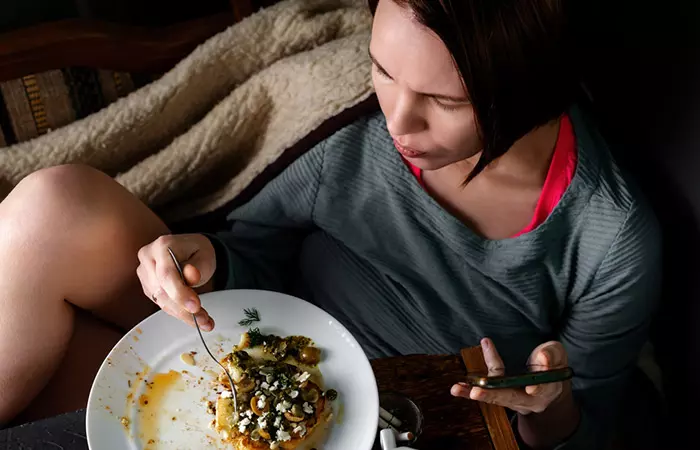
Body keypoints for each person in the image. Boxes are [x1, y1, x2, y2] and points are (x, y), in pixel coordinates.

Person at [0, 0, 661, 448]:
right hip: (250, 359)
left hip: (392, 417)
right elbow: (256, 250)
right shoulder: (353, 131)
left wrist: (546, 403)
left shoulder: (610, 238)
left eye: (445, 101)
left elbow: (588, 428)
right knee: (56, 205)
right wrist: (204, 257)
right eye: (383, 70)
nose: (399, 122)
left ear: (534, 87)